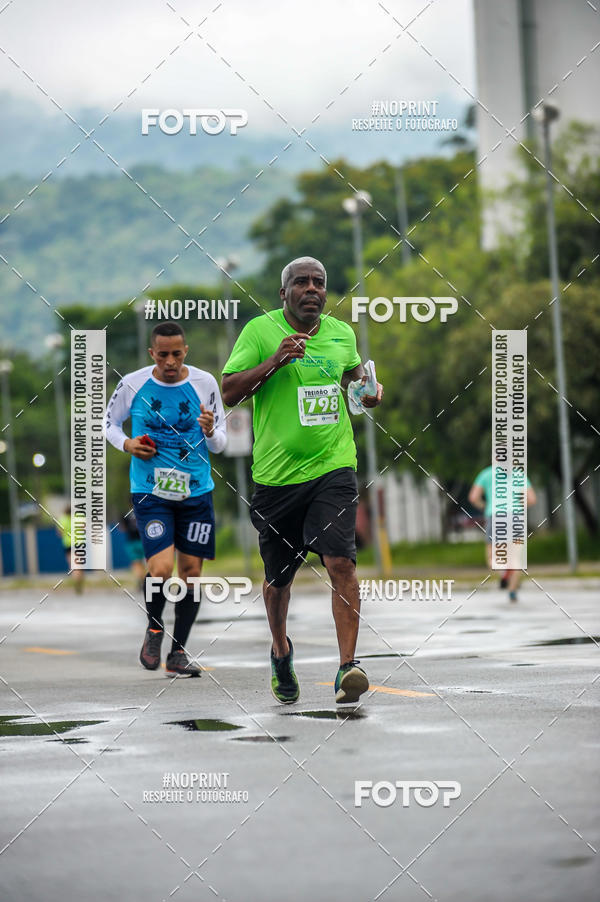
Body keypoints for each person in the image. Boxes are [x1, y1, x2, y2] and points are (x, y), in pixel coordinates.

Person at [222, 256, 383, 704]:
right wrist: (275, 361)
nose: (311, 289)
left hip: (333, 466)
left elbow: (354, 379)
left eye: (319, 282)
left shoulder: (341, 334)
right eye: (301, 282)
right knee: (279, 580)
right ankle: (280, 650)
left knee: (341, 563)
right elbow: (230, 392)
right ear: (284, 292)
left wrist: (368, 392)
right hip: (276, 479)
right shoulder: (259, 332)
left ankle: (347, 667)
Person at [105, 321, 226, 676]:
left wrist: (209, 431)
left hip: (196, 493)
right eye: (162, 355)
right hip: (150, 491)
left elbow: (221, 443)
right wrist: (126, 443)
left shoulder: (204, 383)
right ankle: (155, 626)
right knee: (160, 569)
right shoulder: (133, 383)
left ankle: (178, 655)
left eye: (176, 354)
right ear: (151, 354)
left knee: (191, 574)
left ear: (185, 351)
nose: (170, 362)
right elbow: (107, 423)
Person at [468, 465, 536, 602]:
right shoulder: (519, 474)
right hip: (515, 516)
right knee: (516, 557)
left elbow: (473, 497)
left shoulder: (486, 474)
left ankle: (503, 571)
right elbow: (532, 499)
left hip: (495, 515)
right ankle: (512, 591)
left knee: (491, 555)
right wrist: (517, 506)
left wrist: (485, 506)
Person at [57, 505, 84, 594]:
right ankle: (79, 581)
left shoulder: (62, 520)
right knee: (78, 565)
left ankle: (76, 582)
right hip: (79, 543)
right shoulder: (79, 518)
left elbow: (59, 533)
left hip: (68, 544)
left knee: (73, 565)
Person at [118, 510, 146, 592]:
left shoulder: (125, 514)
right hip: (142, 540)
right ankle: (144, 581)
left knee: (136, 563)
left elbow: (122, 528)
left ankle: (140, 580)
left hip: (131, 542)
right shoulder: (142, 512)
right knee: (144, 563)